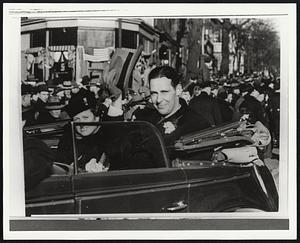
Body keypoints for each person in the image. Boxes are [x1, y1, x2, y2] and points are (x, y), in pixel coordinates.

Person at [138, 66, 210, 147]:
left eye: (164, 92)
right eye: (154, 93)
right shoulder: (143, 120)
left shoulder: (197, 125)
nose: (158, 100)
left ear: (178, 90)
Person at [56, 92, 109, 172]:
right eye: (77, 119)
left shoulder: (108, 137)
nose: (81, 124)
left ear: (97, 118)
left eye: (85, 117)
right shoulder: (68, 139)